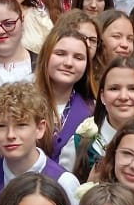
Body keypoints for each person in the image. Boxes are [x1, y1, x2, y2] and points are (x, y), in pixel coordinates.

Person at [74, 55, 134, 181]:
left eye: (133, 89)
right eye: (114, 88)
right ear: (102, 96)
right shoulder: (80, 142)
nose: (123, 96)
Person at [34, 23, 95, 172]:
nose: (68, 63)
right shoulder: (22, 103)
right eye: (60, 54)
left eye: (78, 57)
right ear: (46, 56)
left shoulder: (93, 110)